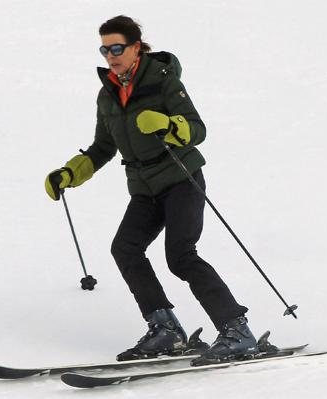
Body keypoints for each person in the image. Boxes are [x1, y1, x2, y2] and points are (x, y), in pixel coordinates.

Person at [44, 15, 258, 363]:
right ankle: (166, 330)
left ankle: (237, 330)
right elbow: (102, 147)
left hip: (180, 179)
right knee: (125, 248)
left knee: (180, 255)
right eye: (104, 49)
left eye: (117, 47)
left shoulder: (162, 80)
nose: (110, 55)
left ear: (136, 47)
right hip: (144, 188)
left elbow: (196, 128)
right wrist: (70, 173)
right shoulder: (108, 94)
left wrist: (168, 126)